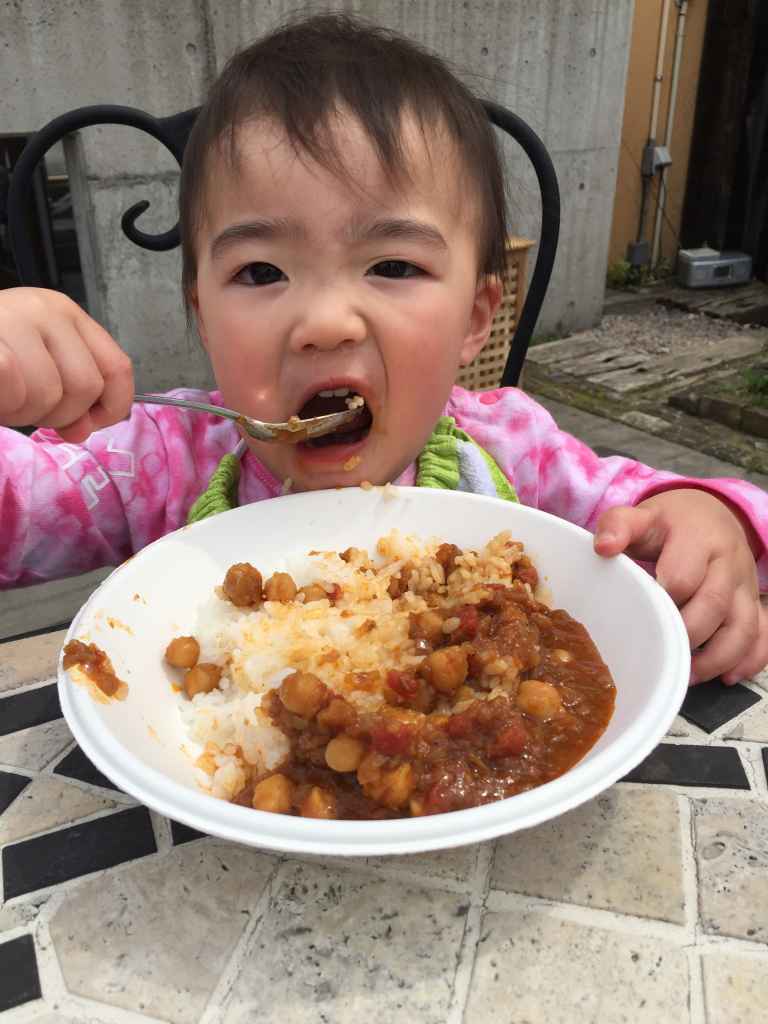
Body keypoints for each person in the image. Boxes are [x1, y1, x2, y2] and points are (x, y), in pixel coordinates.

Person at [1, 13, 766, 686]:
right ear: (201, 315)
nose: (327, 322)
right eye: (261, 271)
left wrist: (710, 517)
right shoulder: (155, 461)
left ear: (475, 319)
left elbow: (649, 518)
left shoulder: (509, 446)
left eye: (393, 266)